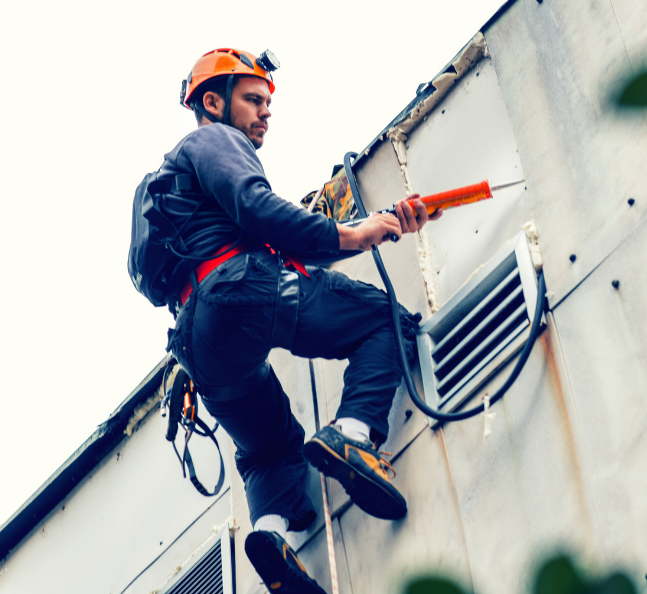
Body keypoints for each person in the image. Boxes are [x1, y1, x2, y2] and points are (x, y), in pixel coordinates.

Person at [140, 48, 440, 594]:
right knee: (384, 320)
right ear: (213, 101)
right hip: (243, 288)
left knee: (267, 448)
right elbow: (260, 209)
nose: (265, 113)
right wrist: (359, 232)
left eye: (268, 104)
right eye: (253, 99)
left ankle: (272, 534)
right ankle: (353, 436)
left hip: (197, 341)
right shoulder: (211, 141)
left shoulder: (162, 190)